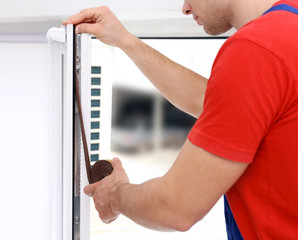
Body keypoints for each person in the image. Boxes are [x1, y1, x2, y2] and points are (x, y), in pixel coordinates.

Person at [63, 0, 298, 239]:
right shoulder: (287, 32)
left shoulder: (257, 49)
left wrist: (113, 195)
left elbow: (175, 207)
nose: (185, 7)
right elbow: (210, 100)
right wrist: (125, 40)